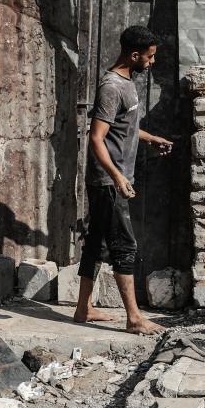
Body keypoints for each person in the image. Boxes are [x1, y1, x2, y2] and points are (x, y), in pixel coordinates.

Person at [74, 25, 172, 335]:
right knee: (124, 245)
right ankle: (134, 318)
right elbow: (96, 137)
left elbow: (123, 127)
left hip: (112, 179)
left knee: (96, 243)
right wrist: (117, 177)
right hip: (108, 181)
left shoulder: (126, 84)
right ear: (134, 55)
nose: (152, 62)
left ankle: (83, 308)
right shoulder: (111, 87)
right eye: (150, 57)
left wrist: (150, 138)